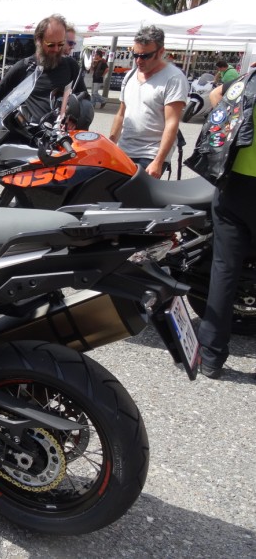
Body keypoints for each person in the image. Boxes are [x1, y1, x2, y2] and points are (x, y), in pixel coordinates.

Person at [196, 74, 256, 378]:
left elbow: (215, 97)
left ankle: (211, 356)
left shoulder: (245, 78)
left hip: (233, 183)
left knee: (224, 271)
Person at [109, 26, 187, 179]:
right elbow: (121, 114)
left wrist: (158, 161)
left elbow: (172, 123)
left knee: (135, 193)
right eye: (135, 55)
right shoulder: (130, 76)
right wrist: (110, 145)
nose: (139, 60)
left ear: (161, 52)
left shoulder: (174, 78)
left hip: (150, 153)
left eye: (145, 56)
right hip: (125, 149)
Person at [0, 14, 87, 122]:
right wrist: (5, 125)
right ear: (38, 40)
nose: (56, 49)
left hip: (62, 131)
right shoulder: (25, 66)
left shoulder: (70, 65)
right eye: (51, 44)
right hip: (32, 132)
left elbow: (84, 98)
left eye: (60, 44)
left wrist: (75, 118)